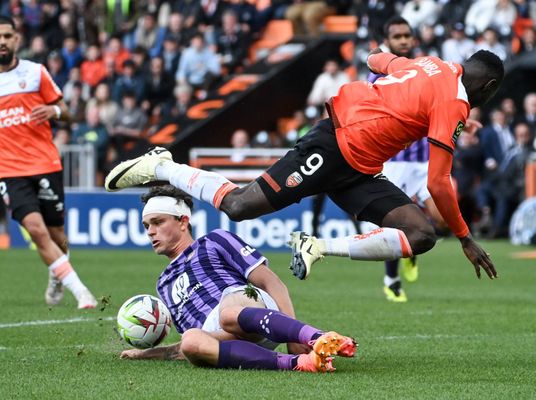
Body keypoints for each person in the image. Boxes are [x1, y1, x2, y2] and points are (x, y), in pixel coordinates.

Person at [105, 47, 503, 283]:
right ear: (488, 87)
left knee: (420, 234)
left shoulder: (432, 64)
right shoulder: (454, 102)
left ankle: (316, 246)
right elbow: (438, 181)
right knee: (240, 206)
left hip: (360, 169)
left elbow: (377, 59)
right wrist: (466, 237)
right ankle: (162, 166)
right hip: (332, 145)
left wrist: (380, 78)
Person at [119, 185, 357, 372]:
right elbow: (183, 348)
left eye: (158, 222)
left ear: (183, 222)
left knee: (228, 311)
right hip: (232, 340)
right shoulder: (163, 284)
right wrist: (146, 354)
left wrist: (293, 337)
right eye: (147, 225)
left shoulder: (215, 240)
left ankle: (317, 337)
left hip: (248, 306)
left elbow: (271, 282)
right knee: (191, 342)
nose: (150, 231)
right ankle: (299, 363)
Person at [0, 15, 97, 309]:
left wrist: (54, 112)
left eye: (7, 36)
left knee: (57, 234)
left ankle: (56, 274)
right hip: (8, 170)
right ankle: (81, 291)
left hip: (45, 163)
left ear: (16, 39)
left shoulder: (36, 73)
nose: (2, 42)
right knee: (35, 229)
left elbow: (68, 113)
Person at [371, 16, 449, 302]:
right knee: (393, 226)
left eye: (407, 36)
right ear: (387, 42)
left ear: (413, 39)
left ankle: (410, 251)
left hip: (423, 160)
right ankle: (391, 280)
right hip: (393, 161)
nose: (403, 40)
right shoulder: (378, 73)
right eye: (397, 36)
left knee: (441, 221)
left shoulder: (423, 68)